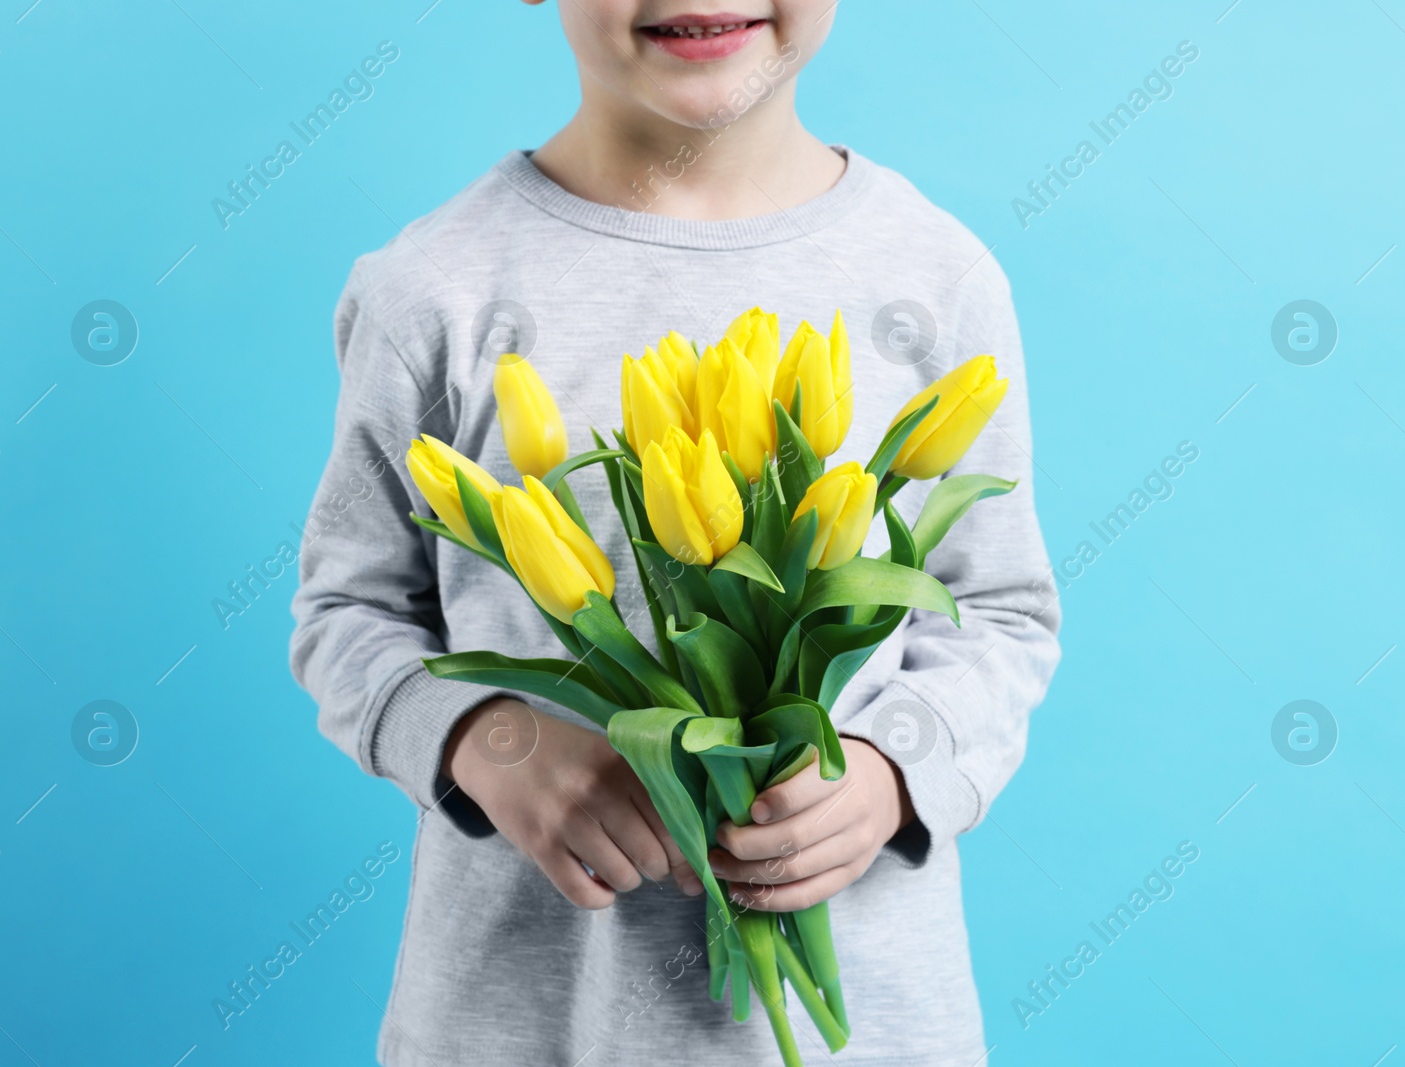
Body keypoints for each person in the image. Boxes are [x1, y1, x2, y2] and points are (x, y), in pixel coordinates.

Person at [290, 3, 1061, 1063]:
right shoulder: (435, 288)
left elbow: (1001, 614)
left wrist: (892, 765)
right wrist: (492, 740)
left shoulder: (934, 278)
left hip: (871, 1035)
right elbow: (349, 612)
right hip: (528, 1027)